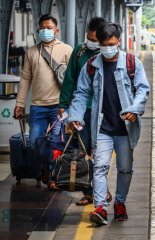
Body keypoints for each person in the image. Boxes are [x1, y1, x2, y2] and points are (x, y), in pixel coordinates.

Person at [67, 23, 150, 225]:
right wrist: (75, 115)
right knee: (100, 167)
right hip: (102, 126)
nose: (107, 48)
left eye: (111, 44)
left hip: (125, 129)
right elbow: (81, 93)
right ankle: (101, 208)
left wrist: (134, 109)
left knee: (124, 168)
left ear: (118, 42)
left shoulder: (132, 63)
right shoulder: (92, 65)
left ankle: (119, 202)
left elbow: (143, 89)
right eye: (104, 44)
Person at [13, 14, 73, 190]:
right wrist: (20, 103)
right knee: (35, 143)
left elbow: (72, 79)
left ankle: (52, 175)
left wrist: (71, 105)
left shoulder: (67, 50)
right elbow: (25, 78)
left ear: (57, 30)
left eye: (49, 28)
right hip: (38, 106)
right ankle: (46, 168)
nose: (45, 31)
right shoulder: (32, 52)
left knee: (56, 142)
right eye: (42, 28)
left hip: (58, 107)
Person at [58, 17, 113, 206]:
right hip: (81, 111)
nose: (90, 41)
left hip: (103, 111)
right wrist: (63, 106)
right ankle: (90, 192)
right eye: (88, 37)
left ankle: (101, 191)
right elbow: (69, 79)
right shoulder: (80, 51)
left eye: (94, 39)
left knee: (100, 152)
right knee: (81, 151)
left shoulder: (108, 53)